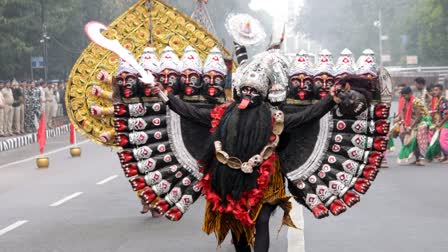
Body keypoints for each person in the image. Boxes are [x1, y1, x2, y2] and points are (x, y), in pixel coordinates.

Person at [396, 87, 431, 165]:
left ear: (410, 94)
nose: (404, 97)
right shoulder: (406, 100)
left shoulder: (415, 101)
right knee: (409, 138)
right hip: (415, 120)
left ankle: (421, 159)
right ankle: (417, 158)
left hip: (423, 120)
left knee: (419, 139)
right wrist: (403, 122)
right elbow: (402, 110)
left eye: (405, 95)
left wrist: (411, 127)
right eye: (403, 96)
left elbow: (419, 116)